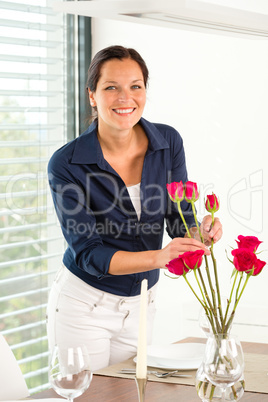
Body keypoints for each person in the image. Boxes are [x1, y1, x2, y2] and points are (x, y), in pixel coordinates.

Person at [46, 45, 222, 371]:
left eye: (135, 86)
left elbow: (179, 218)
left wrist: (199, 233)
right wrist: (160, 257)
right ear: (92, 96)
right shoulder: (67, 163)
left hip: (142, 304)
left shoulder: (168, 143)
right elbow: (88, 253)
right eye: (111, 87)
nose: (125, 98)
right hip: (84, 306)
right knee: (86, 395)